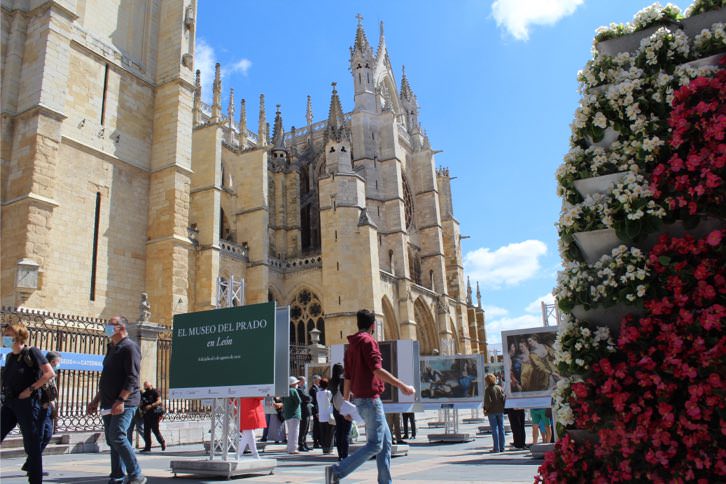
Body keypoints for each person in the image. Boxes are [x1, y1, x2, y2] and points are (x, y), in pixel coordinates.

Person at [325, 309, 415, 484]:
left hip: (360, 400)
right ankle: (337, 471)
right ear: (373, 325)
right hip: (370, 400)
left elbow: (348, 377)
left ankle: (385, 481)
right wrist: (402, 386)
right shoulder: (368, 341)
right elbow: (377, 369)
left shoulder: (352, 345)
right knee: (375, 444)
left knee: (385, 443)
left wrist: (345, 404)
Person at [86, 315, 146, 484]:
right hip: (108, 402)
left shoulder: (130, 347)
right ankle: (117, 476)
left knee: (117, 435)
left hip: (125, 402)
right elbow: (107, 378)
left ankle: (136, 474)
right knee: (113, 441)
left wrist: (121, 400)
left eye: (110, 324)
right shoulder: (112, 348)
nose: (107, 327)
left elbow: (132, 378)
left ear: (121, 328)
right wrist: (96, 400)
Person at [0, 321, 56, 483]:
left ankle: (35, 480)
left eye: (9, 335)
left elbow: (49, 373)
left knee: (32, 444)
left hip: (28, 404)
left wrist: (30, 389)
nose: (5, 338)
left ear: (19, 337)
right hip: (10, 403)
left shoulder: (32, 352)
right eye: (5, 335)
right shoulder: (10, 356)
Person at [329, 363, 351, 461]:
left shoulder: (332, 381)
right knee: (345, 433)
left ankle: (340, 455)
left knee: (339, 432)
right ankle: (345, 455)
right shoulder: (343, 381)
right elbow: (347, 395)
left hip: (336, 409)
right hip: (345, 409)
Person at [139, 381, 166, 452]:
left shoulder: (155, 392)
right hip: (146, 414)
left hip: (154, 414)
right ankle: (147, 447)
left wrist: (150, 406)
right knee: (146, 431)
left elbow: (159, 401)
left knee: (155, 430)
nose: (145, 387)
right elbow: (142, 403)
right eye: (145, 386)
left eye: (146, 386)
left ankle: (162, 442)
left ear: (150, 385)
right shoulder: (144, 394)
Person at [484, 373, 505, 453]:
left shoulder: (488, 389)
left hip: (492, 411)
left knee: (494, 429)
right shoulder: (499, 387)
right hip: (500, 410)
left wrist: (486, 409)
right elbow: (503, 398)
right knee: (501, 428)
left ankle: (496, 448)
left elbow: (487, 402)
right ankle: (502, 447)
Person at [282, 376, 302, 454]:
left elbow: (282, 401)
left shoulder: (285, 391)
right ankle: (293, 449)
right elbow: (298, 401)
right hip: (295, 414)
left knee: (290, 432)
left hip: (287, 414)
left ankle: (289, 448)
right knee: (295, 432)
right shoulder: (293, 391)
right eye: (296, 383)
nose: (297, 384)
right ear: (293, 384)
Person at [316, 377, 334, 454]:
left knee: (323, 433)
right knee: (330, 433)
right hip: (328, 415)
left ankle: (324, 449)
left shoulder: (317, 393)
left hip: (321, 415)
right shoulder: (328, 393)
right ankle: (330, 448)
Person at [296, 376, 313, 451]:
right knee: (303, 429)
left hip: (307, 411)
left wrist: (309, 398)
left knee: (306, 429)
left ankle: (304, 443)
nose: (305, 382)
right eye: (303, 381)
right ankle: (301, 444)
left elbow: (309, 398)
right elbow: (307, 398)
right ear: (300, 381)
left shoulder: (303, 389)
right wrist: (309, 398)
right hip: (303, 412)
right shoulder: (299, 390)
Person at [310, 374, 322, 448]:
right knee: (316, 427)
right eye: (319, 380)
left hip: (318, 410)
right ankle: (315, 442)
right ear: (316, 380)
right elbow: (315, 402)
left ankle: (319, 441)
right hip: (316, 411)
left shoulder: (317, 388)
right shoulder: (313, 389)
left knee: (318, 426)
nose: (320, 381)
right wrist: (317, 412)